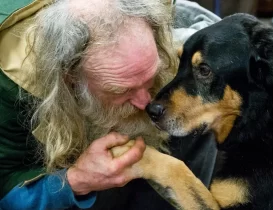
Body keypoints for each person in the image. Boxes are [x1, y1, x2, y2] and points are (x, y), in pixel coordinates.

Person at [0, 0, 220, 209]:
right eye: (122, 90)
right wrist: (76, 180)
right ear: (70, 76)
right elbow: (5, 189)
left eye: (149, 77)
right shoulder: (11, 86)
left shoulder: (156, 12)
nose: (145, 102)